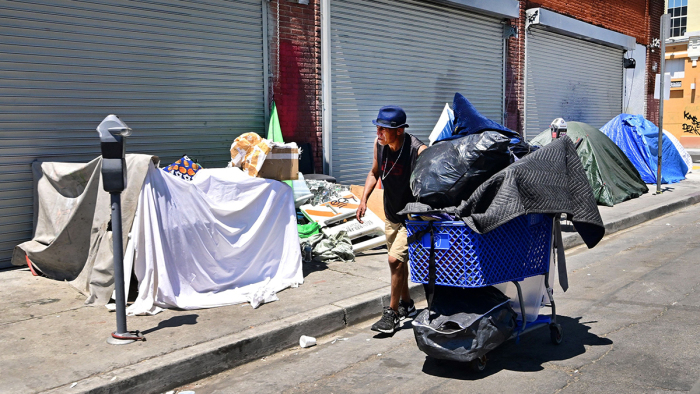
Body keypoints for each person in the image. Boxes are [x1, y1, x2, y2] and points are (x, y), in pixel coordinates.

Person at [356, 105, 427, 335]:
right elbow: (374, 172)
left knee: (394, 260)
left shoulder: (416, 150)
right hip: (391, 214)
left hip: (411, 217)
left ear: (398, 130)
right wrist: (363, 199)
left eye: (383, 129)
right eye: (377, 128)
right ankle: (407, 304)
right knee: (399, 264)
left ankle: (393, 313)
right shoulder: (380, 146)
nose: (378, 133)